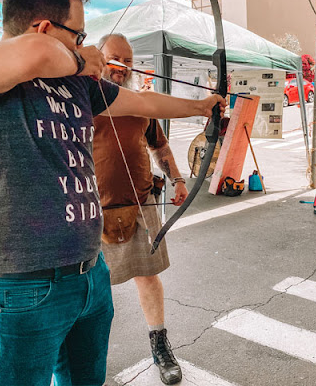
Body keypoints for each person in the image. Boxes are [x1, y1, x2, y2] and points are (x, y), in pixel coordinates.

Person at [0, 0, 225, 386]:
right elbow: (35, 53)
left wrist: (200, 106)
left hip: (89, 276)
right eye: (78, 34)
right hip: (20, 285)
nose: (83, 44)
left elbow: (141, 100)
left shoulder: (76, 84)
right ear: (43, 27)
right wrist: (81, 58)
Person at [93, 33, 187, 385]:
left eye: (129, 60)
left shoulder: (138, 103)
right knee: (87, 287)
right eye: (115, 58)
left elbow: (159, 147)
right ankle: (83, 361)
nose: (123, 66)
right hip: (92, 209)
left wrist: (177, 178)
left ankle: (160, 346)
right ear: (99, 58)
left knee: (148, 277)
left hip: (141, 201)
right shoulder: (82, 99)